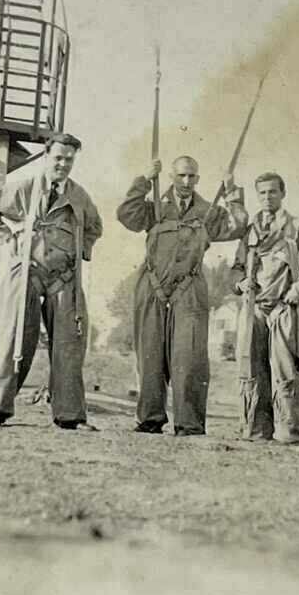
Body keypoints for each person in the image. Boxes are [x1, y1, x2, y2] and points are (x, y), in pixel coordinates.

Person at [0, 132, 103, 429]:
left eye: (69, 159)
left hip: (63, 278)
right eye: (58, 157)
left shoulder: (79, 195)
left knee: (69, 343)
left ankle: (70, 415)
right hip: (26, 273)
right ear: (47, 156)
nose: (63, 164)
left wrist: (80, 251)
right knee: (14, 338)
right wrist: (6, 238)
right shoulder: (25, 188)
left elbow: (95, 228)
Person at [117, 156, 248, 435]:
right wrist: (143, 180)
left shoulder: (209, 210)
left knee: (189, 358)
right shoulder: (154, 207)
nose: (186, 182)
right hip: (152, 286)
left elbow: (238, 226)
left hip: (189, 289)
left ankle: (189, 423)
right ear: (172, 178)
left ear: (198, 179)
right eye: (181, 176)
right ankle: (149, 419)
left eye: (192, 177)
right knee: (149, 355)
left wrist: (232, 193)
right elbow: (126, 215)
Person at [230, 173, 299, 445]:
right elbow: (235, 269)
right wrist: (240, 283)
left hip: (284, 308)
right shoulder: (250, 231)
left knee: (286, 370)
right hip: (254, 308)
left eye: (272, 192)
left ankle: (293, 433)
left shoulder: (298, 228)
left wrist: (296, 292)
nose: (267, 198)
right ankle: (255, 431)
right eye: (262, 193)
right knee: (250, 369)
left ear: (282, 194)